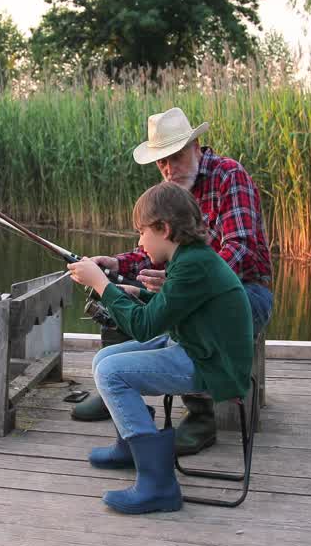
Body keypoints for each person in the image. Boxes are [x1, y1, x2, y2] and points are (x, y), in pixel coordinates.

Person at [72, 107, 273, 457]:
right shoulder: (170, 192)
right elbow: (155, 247)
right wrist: (117, 264)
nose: (168, 169)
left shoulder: (229, 176)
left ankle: (200, 414)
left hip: (246, 291)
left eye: (175, 158)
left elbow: (243, 249)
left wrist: (181, 283)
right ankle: (120, 388)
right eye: (161, 162)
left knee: (163, 307)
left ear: (196, 147)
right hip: (191, 279)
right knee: (125, 281)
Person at [67, 181, 254, 514]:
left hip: (213, 364)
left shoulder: (192, 263)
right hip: (201, 346)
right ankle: (130, 448)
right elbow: (170, 310)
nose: (139, 242)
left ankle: (158, 485)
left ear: (163, 228)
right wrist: (142, 295)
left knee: (111, 373)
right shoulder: (191, 258)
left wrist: (102, 283)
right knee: (105, 358)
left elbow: (144, 326)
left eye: (142, 232)